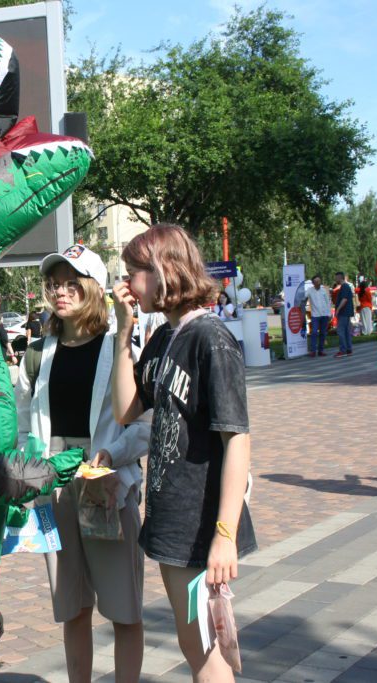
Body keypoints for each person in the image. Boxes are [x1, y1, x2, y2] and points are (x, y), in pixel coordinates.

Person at [110, 225, 256, 681]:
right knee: (196, 642)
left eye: (135, 272)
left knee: (205, 649)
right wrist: (123, 333)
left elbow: (238, 439)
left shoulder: (211, 338)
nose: (128, 284)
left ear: (164, 271)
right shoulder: (165, 337)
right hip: (173, 518)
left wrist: (224, 534)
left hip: (200, 523)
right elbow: (126, 409)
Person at [15, 245, 148, 683]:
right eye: (54, 284)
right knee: (71, 605)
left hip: (106, 485)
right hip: (55, 488)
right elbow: (21, 424)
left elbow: (146, 426)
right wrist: (27, 468)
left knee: (123, 606)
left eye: (72, 283)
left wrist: (113, 456)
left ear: (92, 289)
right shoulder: (37, 354)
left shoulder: (120, 348)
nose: (61, 292)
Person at [306, 276, 332, 357]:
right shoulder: (310, 290)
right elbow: (304, 297)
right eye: (316, 281)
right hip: (315, 315)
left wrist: (329, 313)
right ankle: (313, 351)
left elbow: (328, 302)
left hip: (324, 314)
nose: (318, 283)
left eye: (319, 281)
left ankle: (321, 350)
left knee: (323, 333)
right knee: (314, 332)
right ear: (313, 283)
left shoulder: (323, 290)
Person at [333, 272, 355, 357]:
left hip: (343, 313)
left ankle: (343, 350)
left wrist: (338, 310)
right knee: (346, 331)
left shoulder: (344, 287)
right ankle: (348, 349)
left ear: (340, 278)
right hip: (346, 313)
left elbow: (344, 299)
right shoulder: (345, 287)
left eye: (336, 278)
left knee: (341, 331)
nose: (335, 280)